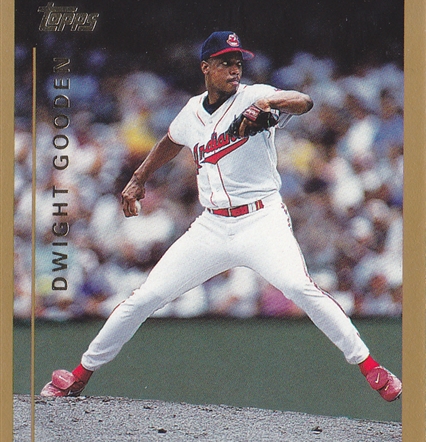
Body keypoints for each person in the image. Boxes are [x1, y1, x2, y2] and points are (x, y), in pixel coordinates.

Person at [41, 31, 402, 403]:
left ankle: (370, 366)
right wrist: (138, 179)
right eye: (225, 62)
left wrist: (269, 102)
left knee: (299, 288)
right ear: (206, 67)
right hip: (212, 226)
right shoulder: (192, 111)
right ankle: (80, 375)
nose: (234, 69)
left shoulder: (254, 95)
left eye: (237, 62)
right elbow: (171, 141)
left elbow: (304, 102)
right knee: (145, 297)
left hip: (261, 221)